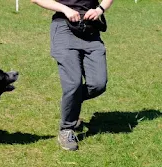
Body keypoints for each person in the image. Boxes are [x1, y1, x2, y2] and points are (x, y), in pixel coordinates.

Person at [31, 0, 114, 151]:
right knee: (73, 84)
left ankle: (70, 101)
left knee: (98, 84)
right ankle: (67, 129)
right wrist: (65, 9)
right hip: (64, 28)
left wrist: (99, 10)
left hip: (91, 30)